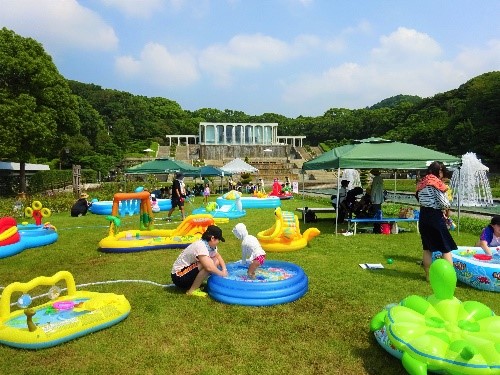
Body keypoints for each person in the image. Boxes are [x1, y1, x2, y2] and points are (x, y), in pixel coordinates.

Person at [416, 161, 456, 281]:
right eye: (442, 172)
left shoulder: (422, 182)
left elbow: (418, 198)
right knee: (445, 247)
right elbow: (444, 203)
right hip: (435, 217)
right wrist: (447, 206)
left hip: (423, 216)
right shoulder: (435, 183)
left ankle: (428, 276)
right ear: (439, 171)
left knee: (427, 247)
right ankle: (449, 276)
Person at [171, 225, 228, 297]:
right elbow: (209, 268)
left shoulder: (210, 246)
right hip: (179, 276)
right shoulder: (201, 246)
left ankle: (196, 284)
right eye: (218, 240)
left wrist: (224, 269)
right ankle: (191, 291)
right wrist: (222, 274)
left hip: (187, 273)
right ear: (212, 238)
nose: (218, 242)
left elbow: (218, 257)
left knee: (215, 261)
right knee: (208, 264)